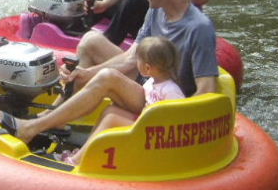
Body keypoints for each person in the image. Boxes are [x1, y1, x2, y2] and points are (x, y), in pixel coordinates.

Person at [0, 0, 219, 146]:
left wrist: (165, 120)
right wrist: (86, 73)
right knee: (91, 40)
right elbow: (132, 58)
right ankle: (56, 117)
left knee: (108, 77)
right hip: (150, 83)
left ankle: (31, 128)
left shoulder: (199, 28)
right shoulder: (156, 11)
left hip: (167, 103)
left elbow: (207, 91)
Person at [59, 36, 185, 165]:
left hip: (153, 134)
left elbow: (179, 117)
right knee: (110, 110)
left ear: (147, 68)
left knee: (112, 118)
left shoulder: (171, 90)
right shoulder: (151, 82)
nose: (136, 63)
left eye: (138, 60)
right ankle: (86, 151)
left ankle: (75, 161)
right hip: (144, 124)